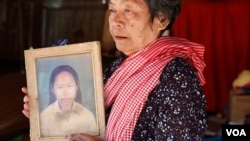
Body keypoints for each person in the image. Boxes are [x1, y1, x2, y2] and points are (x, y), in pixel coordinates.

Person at [22, 0, 208, 140]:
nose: (116, 21)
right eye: (112, 10)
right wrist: (47, 114)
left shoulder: (177, 78)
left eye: (128, 10)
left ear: (162, 19)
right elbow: (83, 125)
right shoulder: (116, 69)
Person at [38, 65, 98, 137]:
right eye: (60, 87)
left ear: (77, 86)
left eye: (70, 86)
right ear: (53, 89)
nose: (65, 92)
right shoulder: (44, 117)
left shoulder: (88, 116)